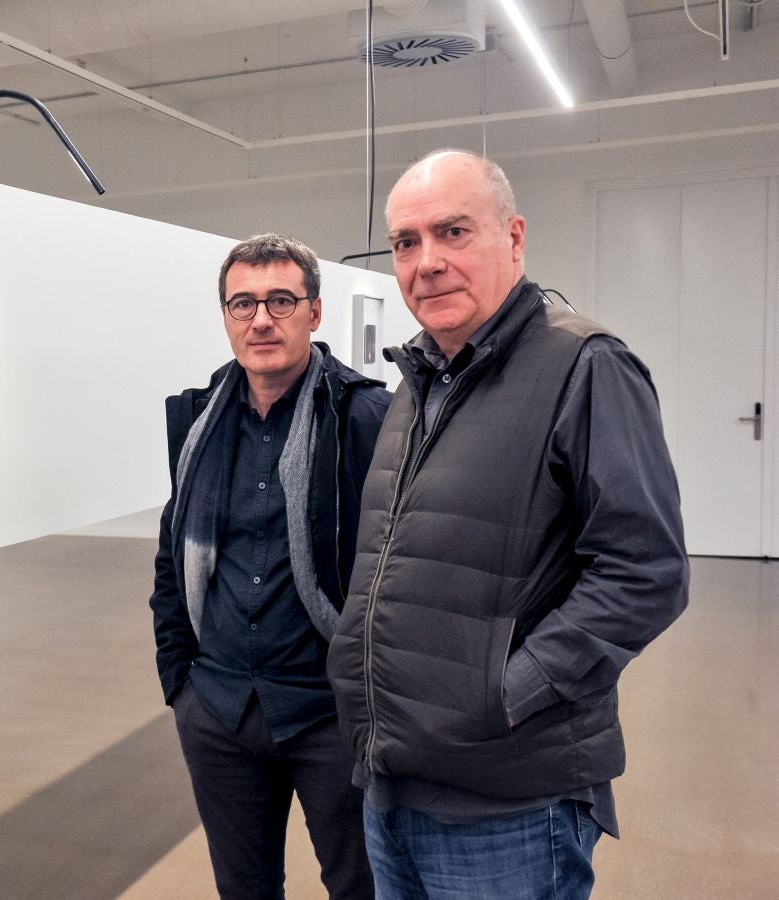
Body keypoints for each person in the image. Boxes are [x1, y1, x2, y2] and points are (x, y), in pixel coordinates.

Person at [325, 149, 690, 899]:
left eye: (452, 232)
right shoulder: (417, 383)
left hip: (507, 804)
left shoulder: (584, 367)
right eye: (404, 242)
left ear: (513, 239)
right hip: (394, 780)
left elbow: (644, 573)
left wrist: (504, 692)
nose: (426, 262)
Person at [150, 233, 389, 898]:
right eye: (243, 303)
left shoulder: (364, 415)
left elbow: (398, 567)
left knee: (360, 888)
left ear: (313, 312)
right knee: (244, 889)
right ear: (224, 315)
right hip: (219, 712)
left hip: (329, 715)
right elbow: (173, 556)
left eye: (280, 300)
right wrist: (181, 683)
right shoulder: (198, 420)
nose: (260, 319)